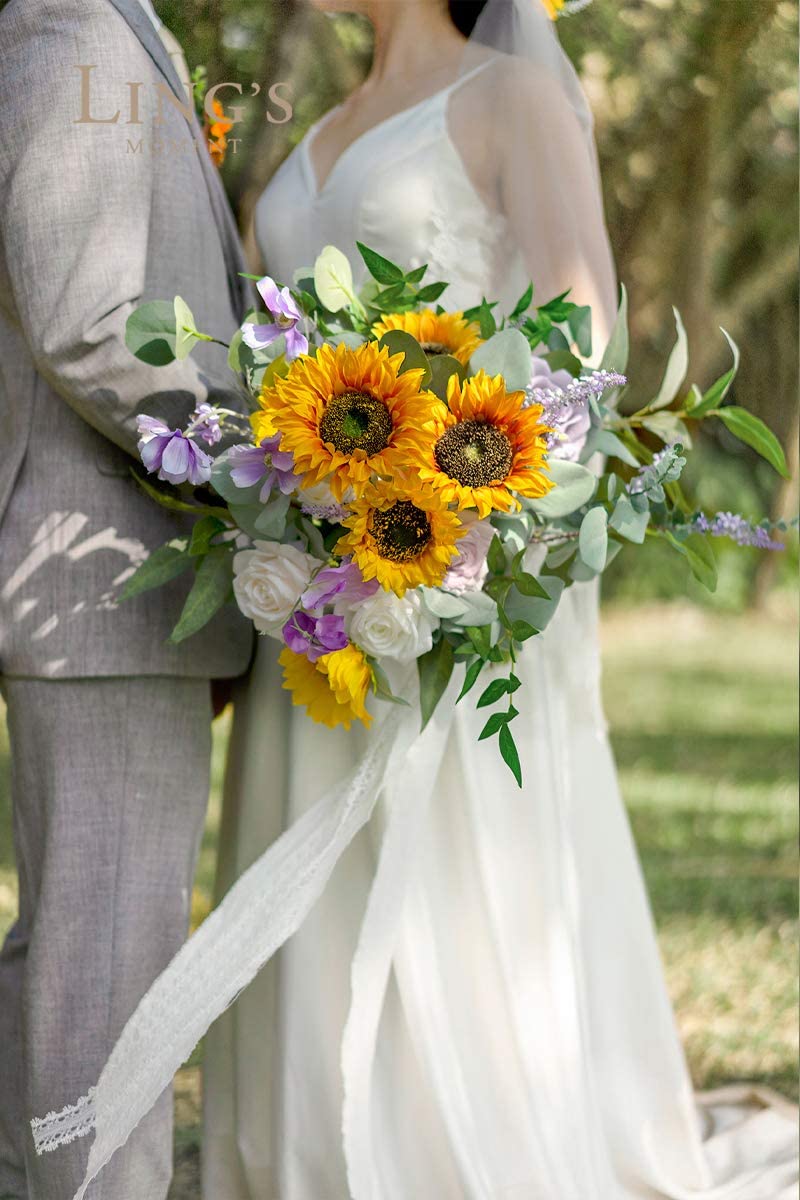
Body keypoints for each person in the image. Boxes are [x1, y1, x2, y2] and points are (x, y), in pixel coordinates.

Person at [27, 2, 798, 1198]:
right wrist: (291, 500)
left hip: (452, 552)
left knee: (447, 871)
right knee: (308, 865)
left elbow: (581, 340)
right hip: (316, 591)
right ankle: (301, 1159)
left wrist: (469, 507)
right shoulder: (318, 126)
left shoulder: (511, 95)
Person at [0, 1, 252, 1197]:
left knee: (68, 963)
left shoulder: (107, 24)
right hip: (99, 572)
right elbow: (88, 322)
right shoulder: (71, 33)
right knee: (103, 983)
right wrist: (272, 459)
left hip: (112, 578)